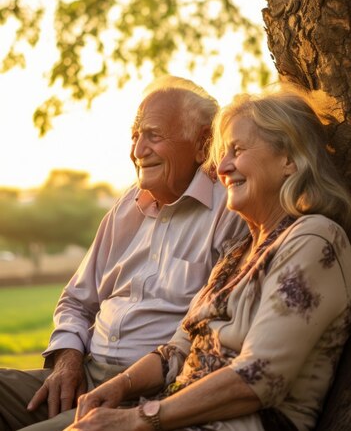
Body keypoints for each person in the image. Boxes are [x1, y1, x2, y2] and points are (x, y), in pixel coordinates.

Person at [65, 87, 351, 431]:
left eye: (238, 150)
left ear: (288, 160)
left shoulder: (314, 240)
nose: (222, 166)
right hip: (176, 413)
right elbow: (177, 349)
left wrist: (137, 418)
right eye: (222, 152)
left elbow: (257, 378)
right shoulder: (238, 251)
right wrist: (118, 386)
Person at [0, 76, 246, 431]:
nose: (137, 150)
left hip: (148, 391)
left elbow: (210, 335)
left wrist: (127, 385)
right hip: (83, 373)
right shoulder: (125, 208)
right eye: (135, 135)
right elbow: (75, 301)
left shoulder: (229, 211)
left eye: (153, 135)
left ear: (204, 143)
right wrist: (67, 363)